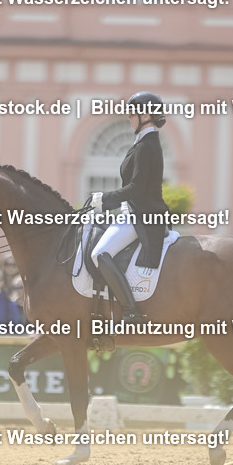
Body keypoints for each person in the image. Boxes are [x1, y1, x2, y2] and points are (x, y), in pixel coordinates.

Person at [88, 91, 170, 324]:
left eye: (131, 113)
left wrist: (104, 198)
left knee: (99, 254)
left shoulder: (146, 145)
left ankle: (130, 311)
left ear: (145, 115)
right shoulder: (144, 142)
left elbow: (136, 188)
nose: (128, 117)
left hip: (140, 215)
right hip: (134, 211)